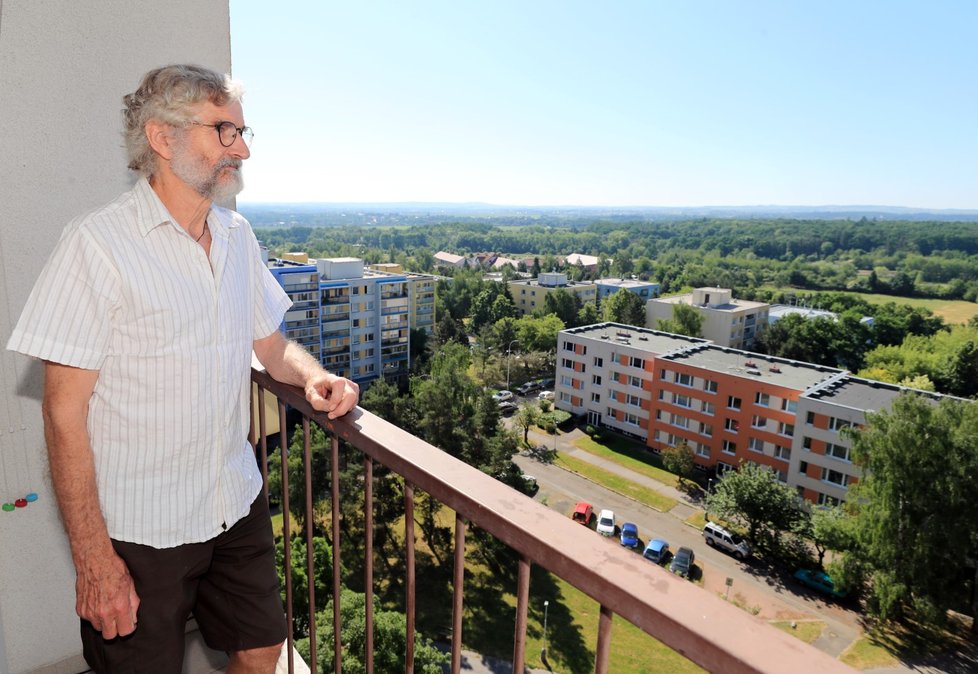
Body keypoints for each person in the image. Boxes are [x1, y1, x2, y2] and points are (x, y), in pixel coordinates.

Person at [6, 64, 359, 673]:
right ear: (162, 138)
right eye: (224, 131)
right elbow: (62, 415)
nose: (242, 149)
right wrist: (94, 558)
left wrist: (311, 377)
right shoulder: (96, 246)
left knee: (263, 651)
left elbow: (271, 348)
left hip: (234, 500)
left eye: (245, 132)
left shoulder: (237, 235)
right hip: (140, 527)